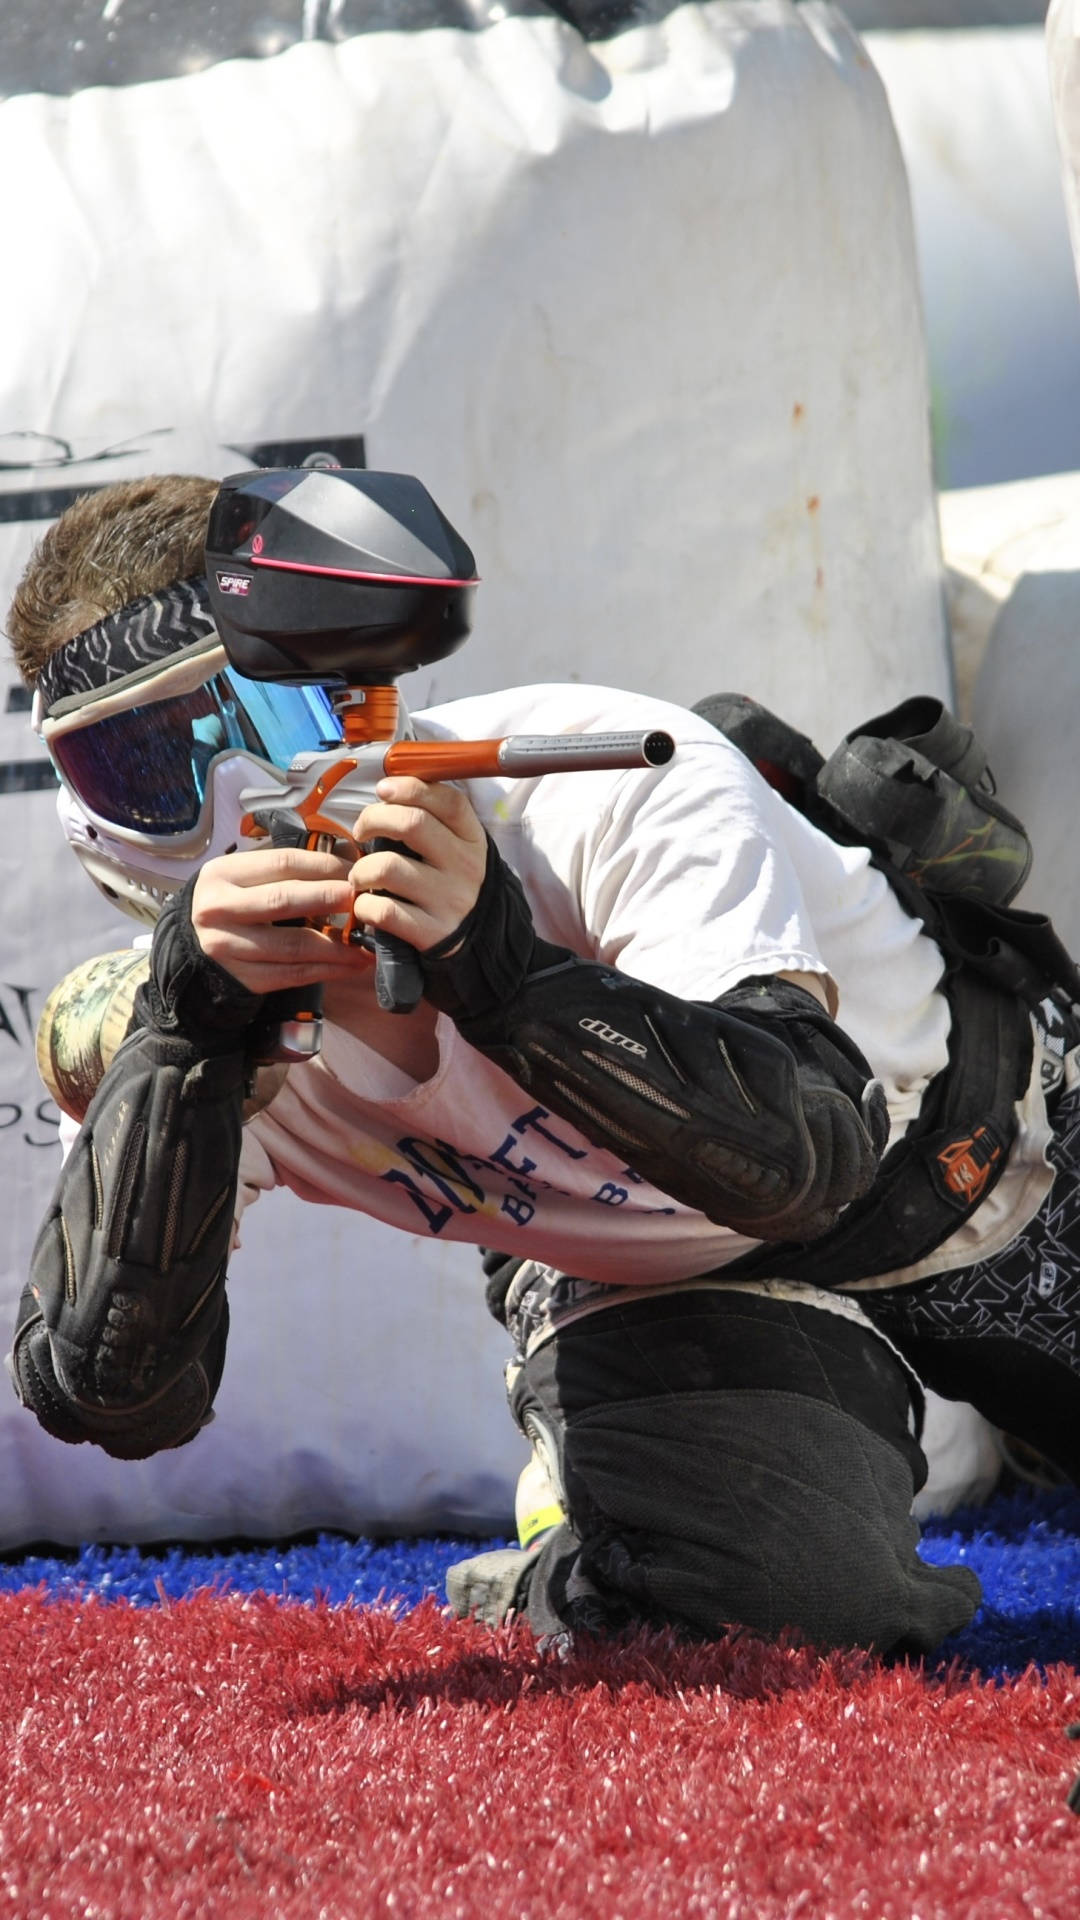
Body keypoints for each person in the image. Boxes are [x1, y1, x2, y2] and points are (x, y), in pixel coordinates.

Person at [6, 472, 1078, 1655]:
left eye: (271, 718)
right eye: (152, 771)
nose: (240, 803)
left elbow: (809, 1157)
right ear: (90, 823)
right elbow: (113, 1393)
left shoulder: (603, 784)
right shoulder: (180, 1008)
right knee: (775, 1613)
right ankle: (598, 1522)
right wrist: (187, 1052)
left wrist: (503, 973)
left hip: (981, 1157)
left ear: (367, 692)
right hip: (652, 1283)